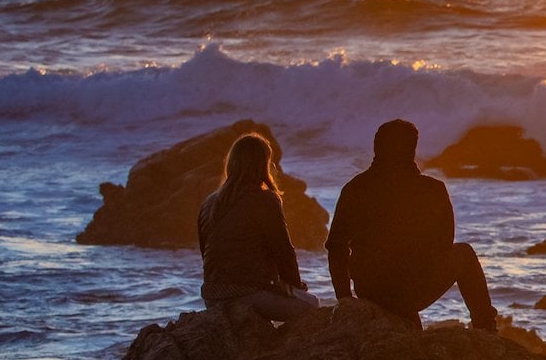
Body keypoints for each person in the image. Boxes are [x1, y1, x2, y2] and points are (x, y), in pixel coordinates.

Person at [326, 119, 497, 331]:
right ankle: (486, 328)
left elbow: (335, 246)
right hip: (412, 290)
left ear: (377, 147)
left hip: (369, 290)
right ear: (412, 149)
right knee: (464, 253)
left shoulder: (354, 188)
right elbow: (445, 245)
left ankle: (405, 313)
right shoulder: (432, 189)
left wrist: (345, 297)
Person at [198, 133, 318, 321]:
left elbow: (206, 252)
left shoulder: (210, 202)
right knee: (311, 304)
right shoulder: (266, 200)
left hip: (211, 297)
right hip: (247, 295)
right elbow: (283, 251)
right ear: (262, 165)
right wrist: (294, 287)